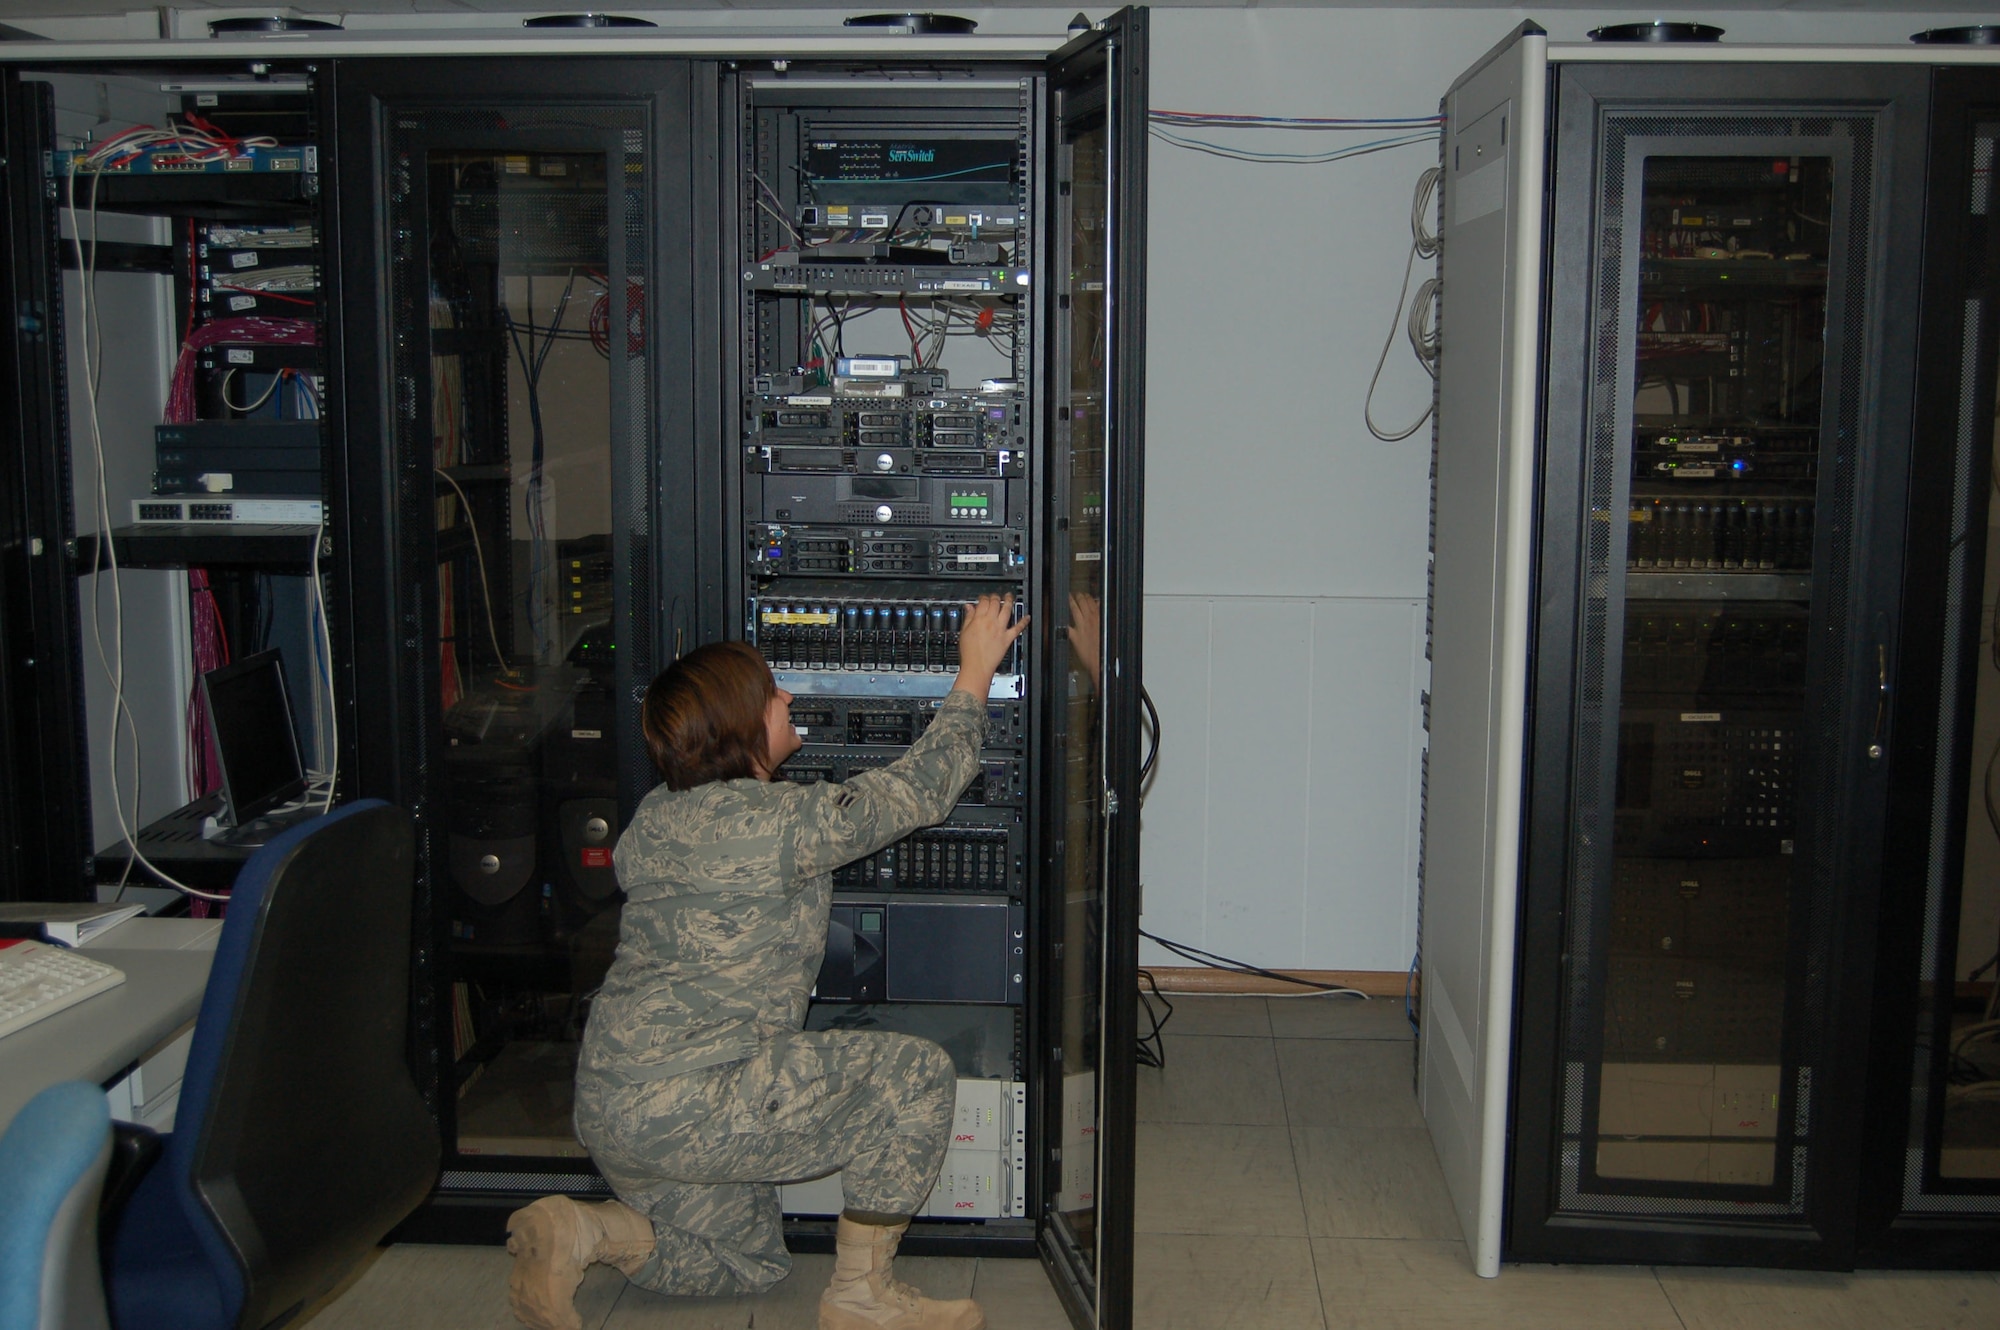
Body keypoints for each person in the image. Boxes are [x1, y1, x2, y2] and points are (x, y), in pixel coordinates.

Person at [504, 594, 1028, 1330]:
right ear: (738, 725)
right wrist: (974, 673)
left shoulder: (654, 818)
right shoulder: (781, 823)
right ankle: (861, 1298)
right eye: (769, 692)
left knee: (746, 1258)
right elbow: (920, 790)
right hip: (698, 1099)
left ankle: (585, 1233)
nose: (786, 697)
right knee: (915, 1077)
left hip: (612, 1102)